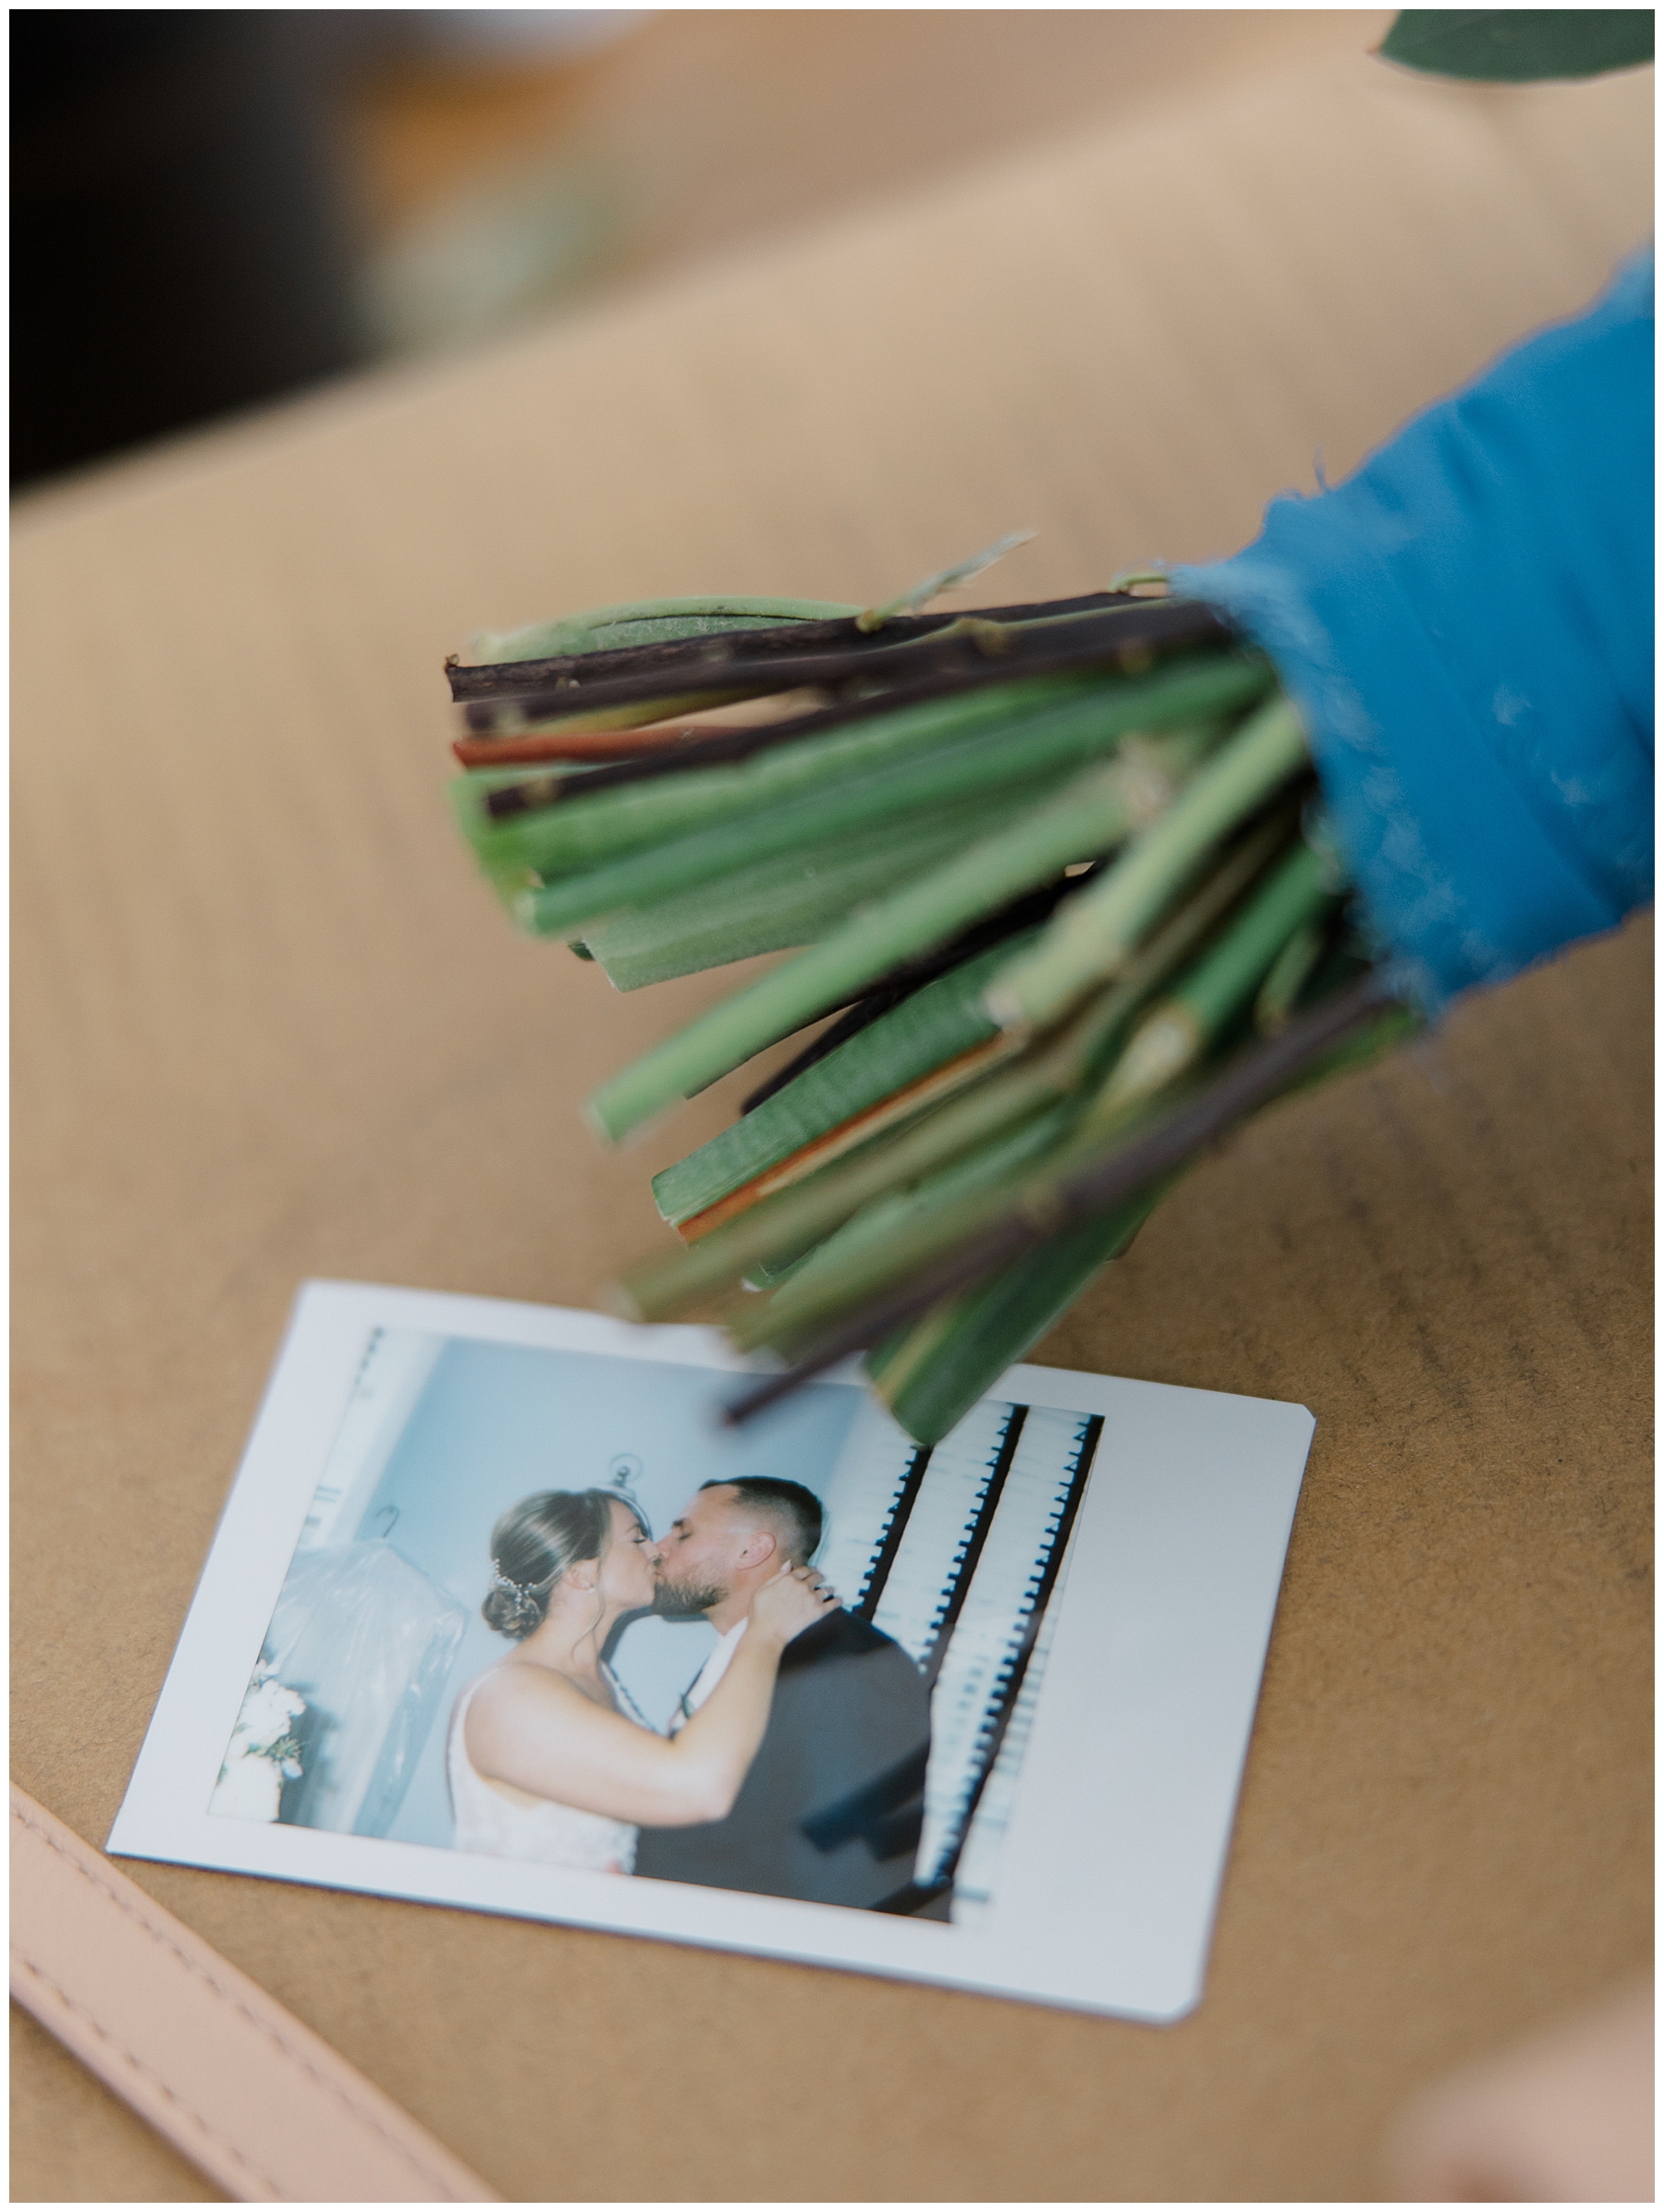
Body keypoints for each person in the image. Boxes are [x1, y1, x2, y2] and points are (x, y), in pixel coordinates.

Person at [447, 1487, 833, 1871]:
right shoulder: (509, 1698)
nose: (657, 1550)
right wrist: (766, 1632)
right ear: (581, 1574)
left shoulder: (601, 1680)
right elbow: (698, 1789)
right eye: (637, 1539)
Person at [631, 1478, 934, 1910]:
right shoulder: (744, 1654)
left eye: (683, 1532)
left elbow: (848, 1870)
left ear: (751, 1550)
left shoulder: (845, 1661)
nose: (660, 1548)